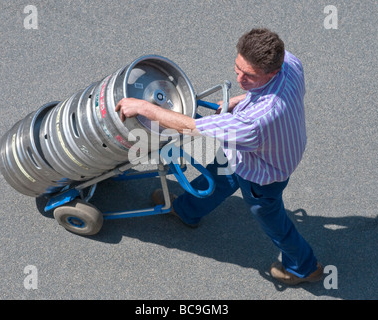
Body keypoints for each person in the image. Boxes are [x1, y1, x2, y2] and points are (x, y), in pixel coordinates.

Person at [115, 28, 323, 285]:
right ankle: (188, 210)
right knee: (221, 174)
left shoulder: (255, 122)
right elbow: (265, 93)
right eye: (238, 68)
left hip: (264, 173)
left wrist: (147, 108)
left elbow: (190, 127)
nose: (239, 77)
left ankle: (304, 267)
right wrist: (249, 96)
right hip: (266, 148)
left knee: (271, 218)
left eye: (249, 76)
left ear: (272, 72)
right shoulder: (289, 62)